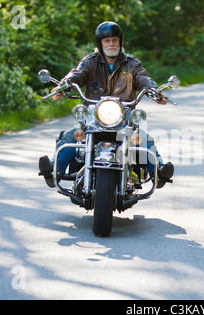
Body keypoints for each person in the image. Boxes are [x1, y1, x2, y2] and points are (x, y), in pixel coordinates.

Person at [38, 21, 173, 189]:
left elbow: (142, 76)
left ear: (120, 42)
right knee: (71, 136)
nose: (111, 44)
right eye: (107, 40)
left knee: (145, 140)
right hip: (93, 118)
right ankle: (54, 171)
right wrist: (63, 85)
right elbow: (77, 73)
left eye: (115, 40)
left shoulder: (131, 63)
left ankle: (158, 172)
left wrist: (154, 90)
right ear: (100, 43)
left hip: (124, 119)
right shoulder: (90, 61)